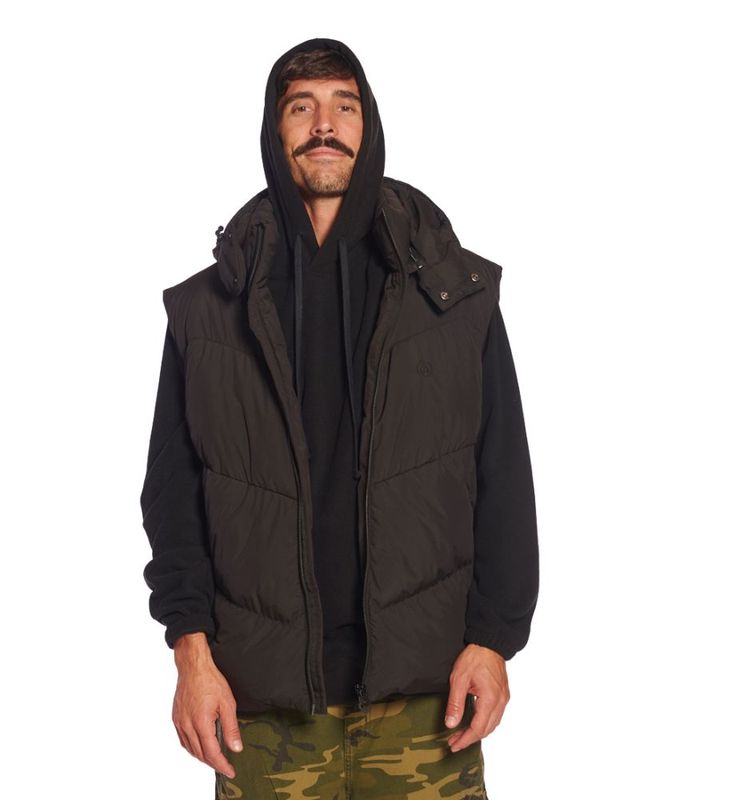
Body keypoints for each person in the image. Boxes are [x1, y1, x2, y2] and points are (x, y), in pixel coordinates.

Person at [139, 37, 539, 799]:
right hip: (261, 702)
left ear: (370, 125)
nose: (324, 124)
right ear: (275, 130)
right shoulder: (207, 310)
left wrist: (494, 640)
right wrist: (192, 658)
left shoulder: (452, 294)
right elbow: (173, 497)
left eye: (344, 106)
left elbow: (503, 473)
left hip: (428, 695)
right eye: (302, 107)